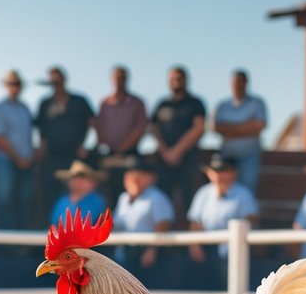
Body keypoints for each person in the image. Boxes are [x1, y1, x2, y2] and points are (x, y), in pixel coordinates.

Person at [36, 66, 96, 213]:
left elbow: (93, 123)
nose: (56, 83)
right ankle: (53, 229)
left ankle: (74, 229)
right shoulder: (45, 103)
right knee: (50, 193)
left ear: (64, 79)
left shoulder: (79, 100)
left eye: (58, 79)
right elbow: (41, 132)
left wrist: (88, 146)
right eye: (52, 80)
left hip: (74, 157)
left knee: (73, 192)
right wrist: (40, 153)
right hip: (51, 157)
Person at [150, 65, 208, 218]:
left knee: (190, 196)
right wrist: (165, 151)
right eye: (173, 79)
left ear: (186, 80)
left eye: (179, 78)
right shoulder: (162, 104)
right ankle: (164, 237)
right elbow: (153, 128)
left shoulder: (195, 103)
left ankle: (192, 237)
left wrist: (177, 151)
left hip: (188, 158)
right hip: (163, 159)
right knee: (163, 197)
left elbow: (199, 128)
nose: (176, 82)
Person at [185, 154, 258, 263]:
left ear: (234, 173)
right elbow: (195, 222)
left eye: (223, 170)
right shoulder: (203, 193)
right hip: (206, 248)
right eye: (214, 170)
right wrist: (194, 245)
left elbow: (251, 221)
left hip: (234, 248)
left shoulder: (243, 194)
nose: (218, 175)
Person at [112, 154, 174, 269]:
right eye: (130, 174)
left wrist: (152, 250)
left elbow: (163, 225)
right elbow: (117, 225)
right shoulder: (123, 198)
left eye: (140, 174)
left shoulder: (156, 197)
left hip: (145, 252)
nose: (134, 178)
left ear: (151, 178)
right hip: (125, 251)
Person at [0, 69, 35, 228]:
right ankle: (2, 245)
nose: (14, 87)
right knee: (4, 200)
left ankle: (21, 246)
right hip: (6, 161)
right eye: (11, 83)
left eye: (17, 83)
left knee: (23, 202)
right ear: (5, 85)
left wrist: (29, 157)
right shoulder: (1, 108)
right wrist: (18, 158)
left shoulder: (25, 108)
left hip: (26, 163)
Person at [95, 65, 148, 194]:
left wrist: (121, 149)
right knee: (106, 190)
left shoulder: (136, 102)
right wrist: (106, 145)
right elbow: (99, 126)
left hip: (130, 155)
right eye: (116, 78)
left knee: (129, 190)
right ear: (111, 80)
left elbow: (140, 128)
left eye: (122, 78)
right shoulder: (104, 103)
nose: (119, 81)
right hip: (108, 154)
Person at [213, 69, 267, 193]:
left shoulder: (256, 103)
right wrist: (246, 126)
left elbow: (259, 126)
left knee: (246, 191)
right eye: (234, 82)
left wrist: (229, 129)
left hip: (249, 155)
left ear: (246, 83)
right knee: (225, 190)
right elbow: (217, 128)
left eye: (239, 82)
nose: (236, 85)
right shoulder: (223, 105)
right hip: (226, 156)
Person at [49, 160, 108, 227]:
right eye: (74, 178)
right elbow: (54, 223)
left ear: (93, 183)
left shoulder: (97, 200)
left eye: (82, 178)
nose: (78, 181)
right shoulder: (62, 200)